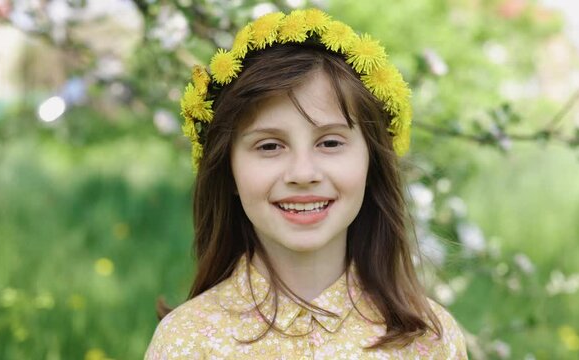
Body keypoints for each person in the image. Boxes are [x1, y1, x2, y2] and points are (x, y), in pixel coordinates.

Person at [145, 8, 468, 359]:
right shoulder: (185, 342)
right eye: (269, 146)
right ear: (229, 171)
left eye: (330, 142)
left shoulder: (428, 341)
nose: (302, 173)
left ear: (371, 161)